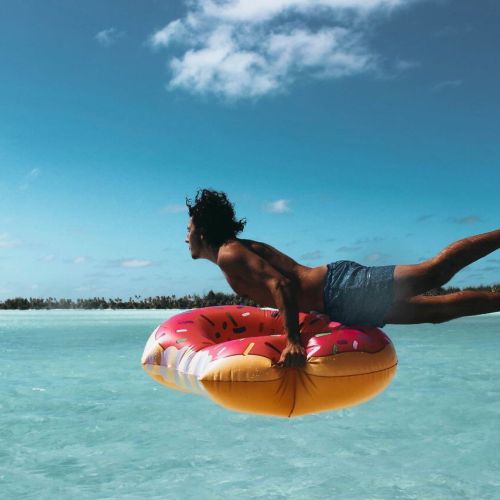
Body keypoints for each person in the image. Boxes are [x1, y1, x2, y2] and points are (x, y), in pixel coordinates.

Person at [185, 189, 500, 368]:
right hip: (339, 305)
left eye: (188, 230)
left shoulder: (229, 253)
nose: (186, 238)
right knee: (435, 312)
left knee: (434, 272)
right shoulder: (232, 255)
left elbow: (279, 285)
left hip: (339, 287)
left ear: (201, 230)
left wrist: (294, 341)